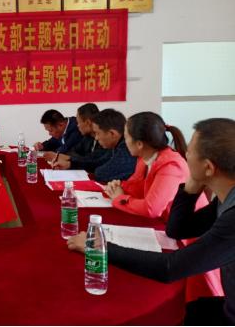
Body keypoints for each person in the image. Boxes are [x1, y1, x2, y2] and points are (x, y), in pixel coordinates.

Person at [68, 118, 235, 325]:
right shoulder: (225, 197)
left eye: (190, 152)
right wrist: (190, 187)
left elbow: (170, 267)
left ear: (209, 167)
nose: (185, 155)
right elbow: (177, 229)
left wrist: (98, 247)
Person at [52, 103, 109, 173]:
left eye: (78, 122)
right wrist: (74, 159)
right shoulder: (87, 137)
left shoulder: (104, 139)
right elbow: (72, 151)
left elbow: (94, 161)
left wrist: (69, 159)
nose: (77, 126)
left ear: (87, 122)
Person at [90, 108, 136, 183]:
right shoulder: (115, 145)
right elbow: (100, 162)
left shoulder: (126, 148)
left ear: (112, 133)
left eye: (98, 133)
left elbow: (101, 174)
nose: (96, 138)